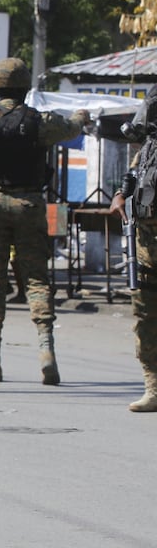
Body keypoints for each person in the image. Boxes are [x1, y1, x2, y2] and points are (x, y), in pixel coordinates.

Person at [0, 57, 88, 385]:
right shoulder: (39, 122)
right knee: (37, 279)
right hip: (30, 204)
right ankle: (46, 352)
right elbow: (71, 127)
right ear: (25, 87)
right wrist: (80, 115)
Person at [109, 93, 157, 411]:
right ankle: (153, 388)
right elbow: (135, 173)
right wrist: (119, 195)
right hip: (146, 244)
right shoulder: (151, 143)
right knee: (145, 316)